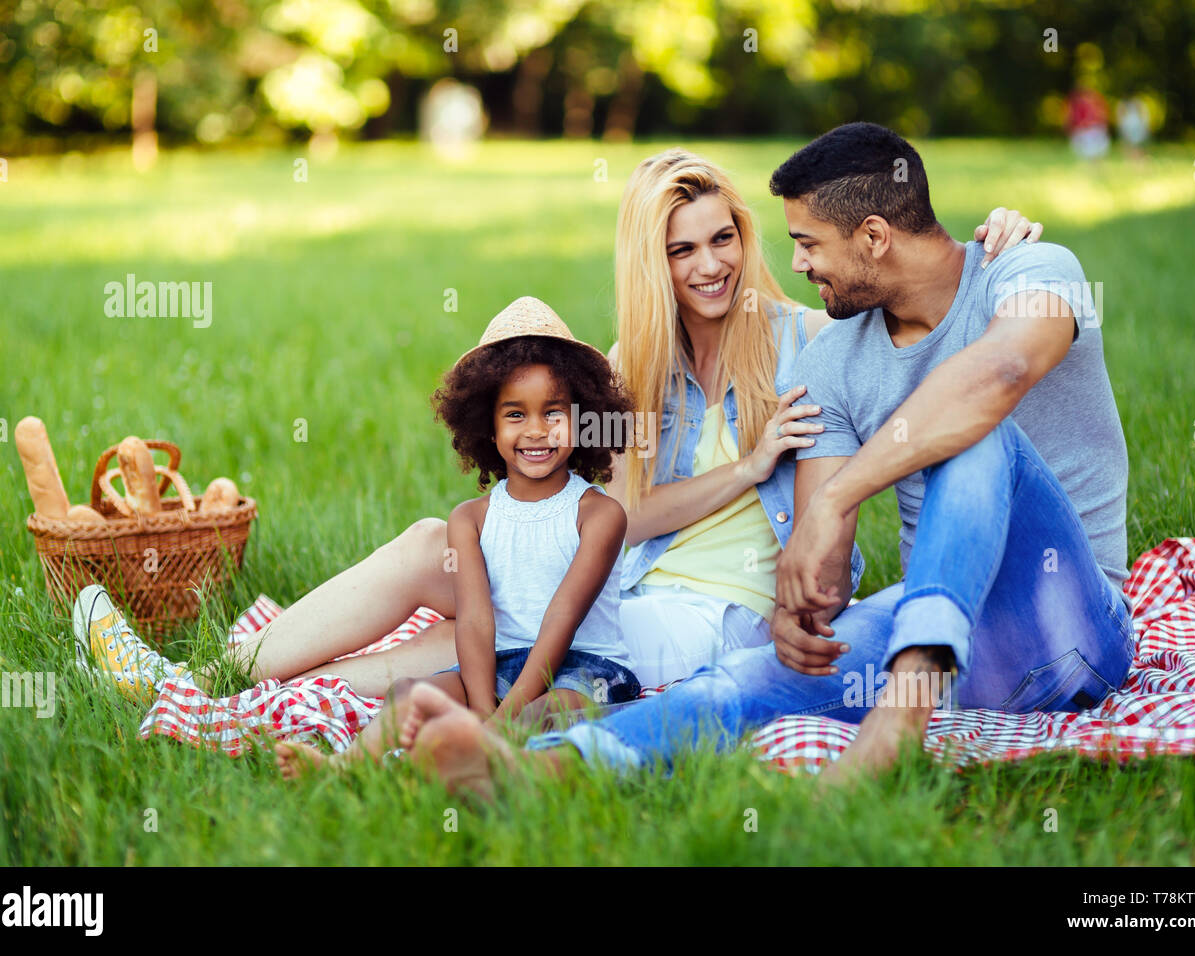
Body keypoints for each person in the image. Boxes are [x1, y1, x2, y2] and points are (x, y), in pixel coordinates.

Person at [72, 150, 1041, 711]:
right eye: (679, 248)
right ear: (648, 262)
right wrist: (748, 465)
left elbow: (917, 331)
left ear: (746, 236)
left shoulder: (807, 343)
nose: (709, 264)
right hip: (632, 579)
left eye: (723, 237)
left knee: (467, 633)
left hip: (722, 614)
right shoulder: (633, 368)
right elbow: (628, 513)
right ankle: (212, 684)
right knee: (452, 586)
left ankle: (207, 686)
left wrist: (988, 242)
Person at [396, 122, 1134, 796]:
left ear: (873, 235)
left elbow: (999, 375)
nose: (795, 262)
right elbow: (826, 560)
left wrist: (844, 496)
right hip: (938, 633)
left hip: (1070, 621)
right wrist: (799, 610)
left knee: (983, 432)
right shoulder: (837, 357)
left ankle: (897, 727)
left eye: (809, 243)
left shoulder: (1032, 269)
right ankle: (543, 769)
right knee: (740, 680)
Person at [272, 297, 640, 777]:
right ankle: (344, 770)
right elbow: (473, 623)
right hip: (500, 664)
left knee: (542, 712)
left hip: (586, 670)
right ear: (485, 424)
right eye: (515, 415)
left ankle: (481, 758)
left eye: (553, 412)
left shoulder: (599, 514)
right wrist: (482, 703)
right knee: (410, 694)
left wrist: (501, 719)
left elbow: (561, 619)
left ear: (583, 415)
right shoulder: (470, 519)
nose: (536, 431)